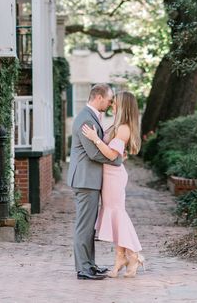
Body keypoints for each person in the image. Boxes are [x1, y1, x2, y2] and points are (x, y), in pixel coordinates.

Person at [82, 90, 145, 278]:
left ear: (123, 105)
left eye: (115, 102)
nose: (112, 104)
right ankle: (120, 257)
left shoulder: (124, 128)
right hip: (108, 175)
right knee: (115, 216)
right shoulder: (117, 125)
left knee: (118, 214)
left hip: (114, 177)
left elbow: (111, 155)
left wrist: (95, 139)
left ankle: (133, 256)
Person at [67, 83, 123, 280]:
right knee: (84, 225)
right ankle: (83, 269)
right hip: (85, 180)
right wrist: (116, 159)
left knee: (89, 225)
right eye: (109, 100)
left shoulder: (90, 116)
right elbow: (93, 153)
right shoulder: (85, 119)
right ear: (99, 97)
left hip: (89, 179)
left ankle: (90, 264)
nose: (110, 104)